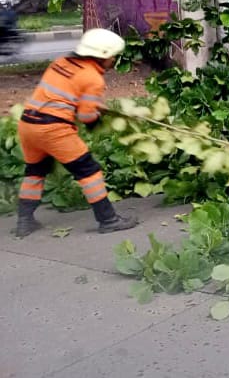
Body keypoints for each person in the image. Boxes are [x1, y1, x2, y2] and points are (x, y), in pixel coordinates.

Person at [15, 28, 138, 237]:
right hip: (54, 130)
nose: (114, 60)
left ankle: (24, 221)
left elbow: (65, 92)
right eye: (113, 56)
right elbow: (86, 116)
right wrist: (98, 120)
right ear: (103, 55)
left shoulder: (61, 62)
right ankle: (108, 219)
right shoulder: (93, 78)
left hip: (28, 125)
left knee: (35, 171)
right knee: (88, 171)